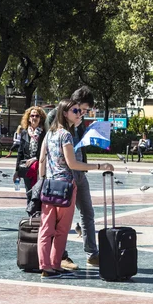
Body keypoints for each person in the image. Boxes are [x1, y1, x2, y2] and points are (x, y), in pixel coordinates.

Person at [37, 99, 114, 279]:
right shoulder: (66, 135)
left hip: (49, 186)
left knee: (46, 228)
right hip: (65, 187)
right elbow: (72, 163)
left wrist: (42, 180)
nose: (79, 113)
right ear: (65, 113)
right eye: (75, 111)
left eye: (79, 110)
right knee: (62, 229)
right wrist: (99, 166)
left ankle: (45, 266)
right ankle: (54, 264)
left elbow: (42, 159)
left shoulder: (49, 134)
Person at [45, 86, 100, 269]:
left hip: (79, 172)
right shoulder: (56, 115)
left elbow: (78, 144)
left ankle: (92, 253)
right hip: (62, 175)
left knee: (87, 212)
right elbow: (48, 144)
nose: (83, 113)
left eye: (85, 111)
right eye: (81, 109)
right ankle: (61, 256)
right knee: (61, 220)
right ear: (74, 103)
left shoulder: (79, 119)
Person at [13, 108, 46, 204]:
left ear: (41, 118)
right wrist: (17, 171)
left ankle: (40, 216)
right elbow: (20, 153)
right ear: (28, 118)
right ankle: (31, 216)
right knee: (29, 193)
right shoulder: (24, 132)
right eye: (32, 116)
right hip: (27, 167)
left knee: (40, 194)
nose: (34, 118)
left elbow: (47, 151)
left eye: (37, 116)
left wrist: (35, 158)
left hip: (40, 167)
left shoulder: (45, 132)